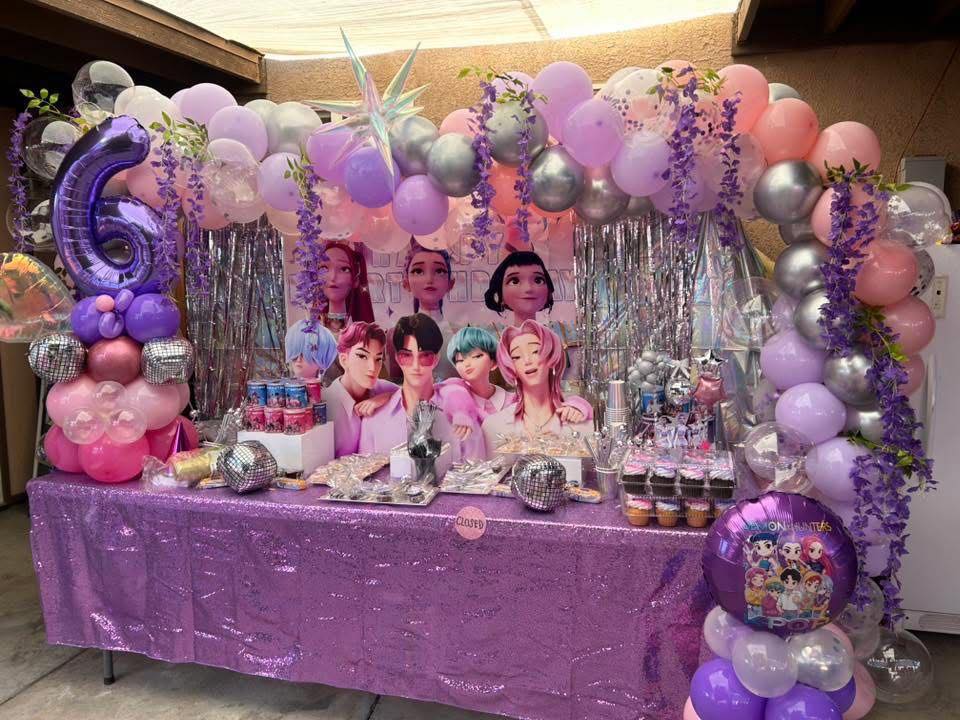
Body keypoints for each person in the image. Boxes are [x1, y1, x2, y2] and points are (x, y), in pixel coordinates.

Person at [360, 314, 485, 461]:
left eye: (425, 356)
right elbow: (364, 476)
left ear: (436, 359)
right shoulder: (375, 419)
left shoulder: (462, 415)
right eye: (406, 356)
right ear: (397, 359)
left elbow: (478, 474)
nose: (416, 366)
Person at [442, 325, 592, 425]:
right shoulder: (456, 391)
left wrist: (577, 406)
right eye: (460, 360)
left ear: (495, 363)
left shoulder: (512, 401)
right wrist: (460, 412)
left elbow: (550, 403)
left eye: (476, 356)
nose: (467, 364)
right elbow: (449, 391)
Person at [481, 320, 593, 452]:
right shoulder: (493, 426)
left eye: (535, 351)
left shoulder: (582, 424)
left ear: (550, 356)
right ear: (511, 367)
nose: (527, 361)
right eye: (516, 357)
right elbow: (491, 471)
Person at [386, 240, 458, 381]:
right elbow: (396, 384)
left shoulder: (460, 334)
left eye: (439, 271)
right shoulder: (395, 334)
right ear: (406, 282)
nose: (429, 279)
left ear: (450, 283)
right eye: (418, 271)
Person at [323, 322, 397, 458]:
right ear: (344, 360)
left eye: (378, 359)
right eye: (362, 356)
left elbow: (417, 395)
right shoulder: (326, 405)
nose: (372, 367)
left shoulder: (383, 388)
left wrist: (387, 397)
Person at [484, 251, 554, 327]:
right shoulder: (504, 337)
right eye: (514, 281)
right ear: (499, 291)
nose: (528, 288)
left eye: (538, 280)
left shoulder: (551, 336)